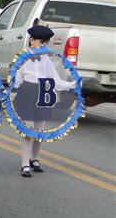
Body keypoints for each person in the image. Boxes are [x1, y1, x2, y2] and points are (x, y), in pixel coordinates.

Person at [14, 25, 76, 178]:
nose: (42, 46)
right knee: (28, 132)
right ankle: (25, 164)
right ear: (32, 40)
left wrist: (71, 85)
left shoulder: (46, 59)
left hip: (43, 93)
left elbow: (54, 79)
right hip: (27, 93)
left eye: (45, 43)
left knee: (39, 131)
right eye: (39, 42)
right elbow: (17, 79)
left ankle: (34, 158)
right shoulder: (22, 57)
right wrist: (11, 86)